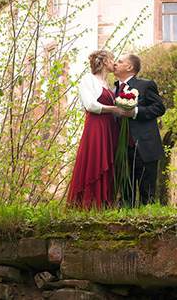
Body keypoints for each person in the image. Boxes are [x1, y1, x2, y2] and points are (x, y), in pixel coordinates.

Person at [67, 49, 122, 209]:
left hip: (109, 128)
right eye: (113, 60)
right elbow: (90, 105)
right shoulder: (88, 79)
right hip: (96, 127)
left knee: (108, 164)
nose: (115, 63)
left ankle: (105, 205)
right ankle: (90, 205)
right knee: (95, 162)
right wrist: (114, 110)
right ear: (105, 62)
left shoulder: (108, 85)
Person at [114, 53, 166, 206]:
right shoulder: (114, 90)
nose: (115, 64)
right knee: (125, 194)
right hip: (123, 148)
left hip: (145, 146)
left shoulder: (146, 85)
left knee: (148, 194)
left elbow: (159, 108)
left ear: (130, 67)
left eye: (120, 61)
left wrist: (135, 112)